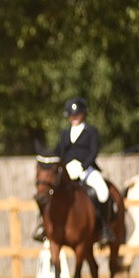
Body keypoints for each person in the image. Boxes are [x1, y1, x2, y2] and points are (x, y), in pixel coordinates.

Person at [52, 97, 115, 244]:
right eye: (71, 115)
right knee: (49, 191)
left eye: (77, 114)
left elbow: (93, 151)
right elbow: (58, 152)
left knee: (103, 191)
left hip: (86, 169)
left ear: (83, 115)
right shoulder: (64, 134)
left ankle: (105, 228)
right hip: (67, 171)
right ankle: (44, 225)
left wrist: (83, 167)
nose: (74, 117)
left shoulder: (91, 131)